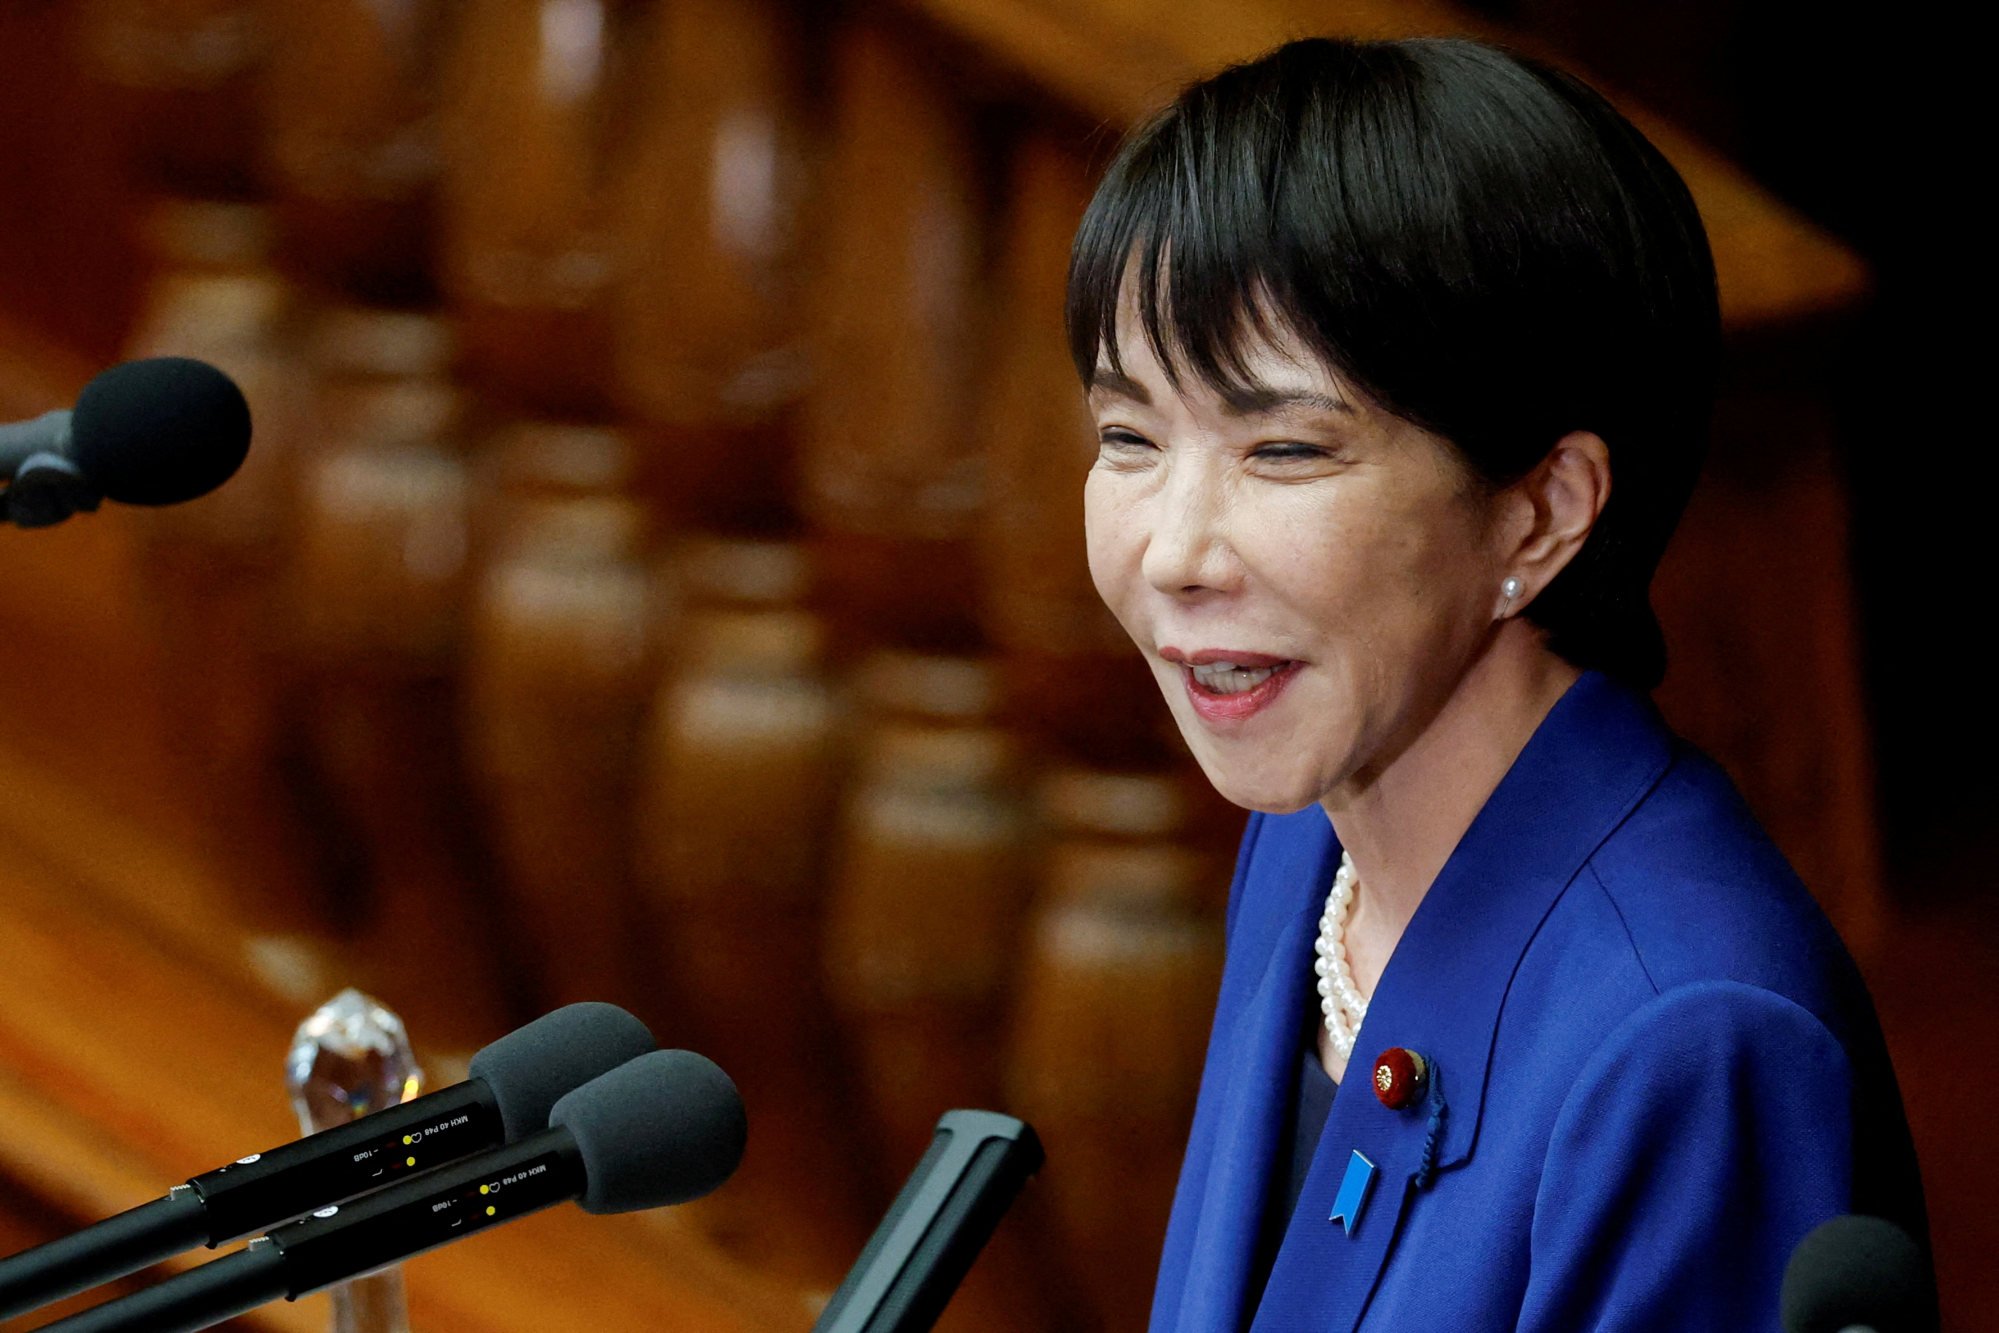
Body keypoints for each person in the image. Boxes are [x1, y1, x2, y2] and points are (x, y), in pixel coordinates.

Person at [1065, 34, 1931, 1331]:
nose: (1176, 551)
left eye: (1286, 447)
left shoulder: (1692, 1038)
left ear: (1542, 511)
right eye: (1129, 437)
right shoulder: (1309, 840)